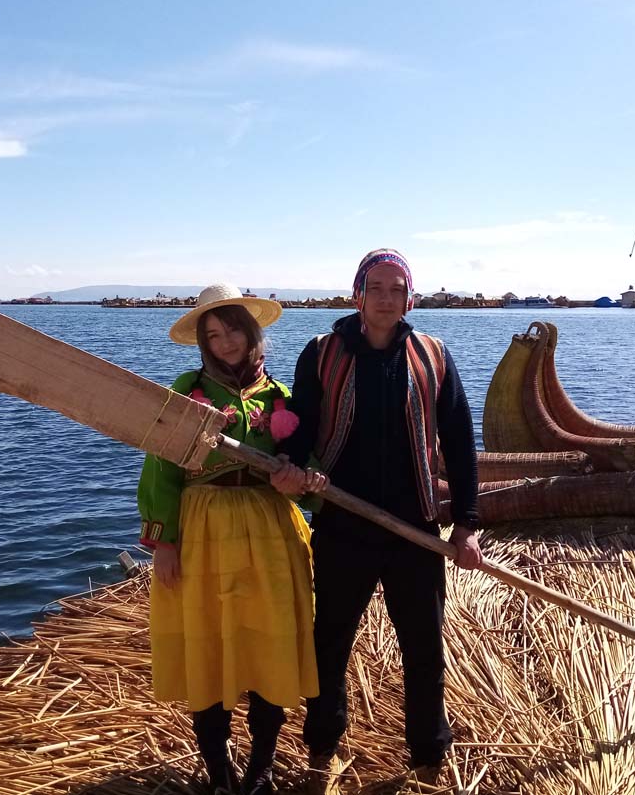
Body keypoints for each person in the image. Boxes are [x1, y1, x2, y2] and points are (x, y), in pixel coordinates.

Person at [278, 248, 484, 788]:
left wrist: (465, 522)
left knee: (423, 646)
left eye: (398, 289)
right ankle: (322, 746)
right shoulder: (322, 353)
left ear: (410, 298)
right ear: (358, 295)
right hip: (343, 524)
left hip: (414, 528)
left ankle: (428, 754)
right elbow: (299, 429)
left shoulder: (432, 356)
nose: (387, 298)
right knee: (331, 643)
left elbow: (460, 441)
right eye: (377, 288)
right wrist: (293, 469)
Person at [137, 283, 326, 795]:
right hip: (205, 529)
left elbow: (308, 467)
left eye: (234, 329)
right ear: (203, 342)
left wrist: (304, 479)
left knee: (270, 647)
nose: (225, 342)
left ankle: (260, 769)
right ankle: (218, 770)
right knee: (210, 648)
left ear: (252, 331)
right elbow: (160, 467)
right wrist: (165, 542)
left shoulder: (280, 396)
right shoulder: (188, 388)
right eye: (213, 334)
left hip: (270, 529)